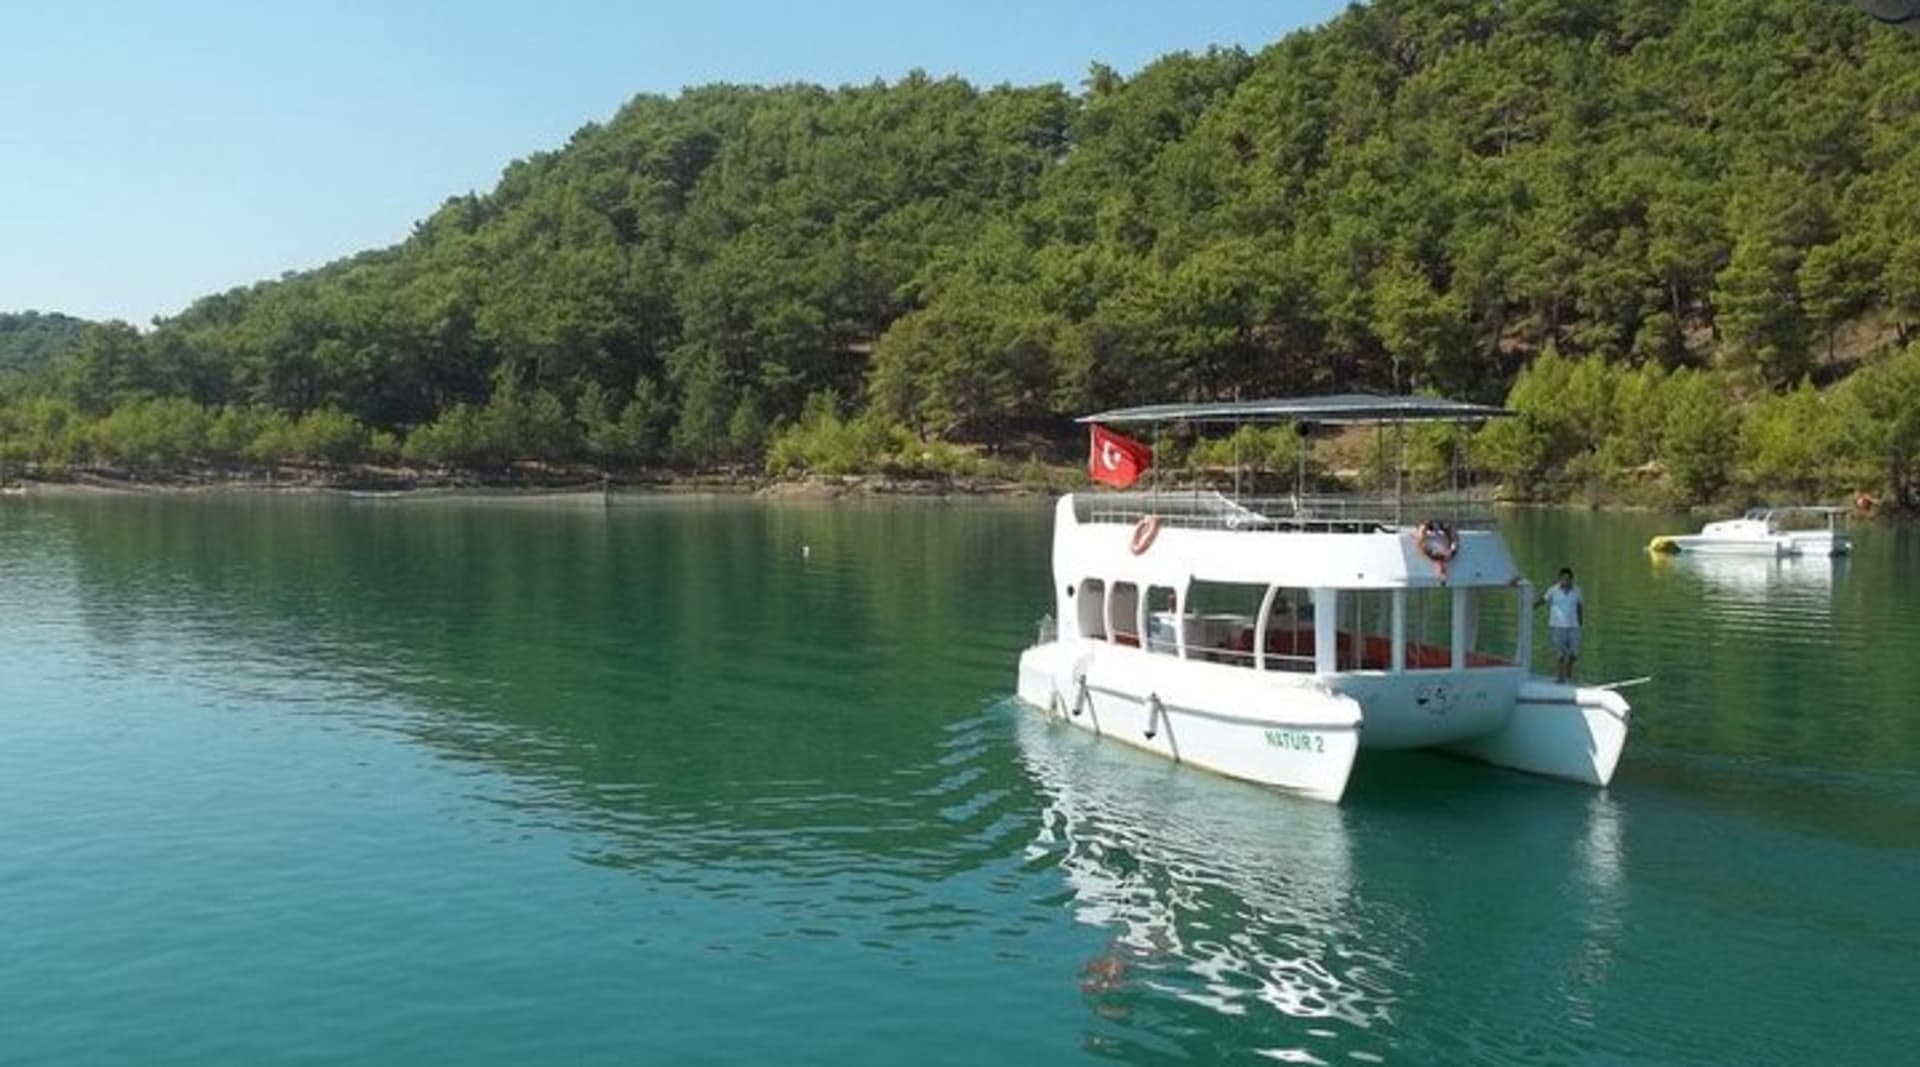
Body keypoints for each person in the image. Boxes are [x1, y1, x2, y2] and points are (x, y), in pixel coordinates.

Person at [1535, 567, 1584, 683]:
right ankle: (1561, 676)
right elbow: (1543, 600)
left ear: (1572, 579)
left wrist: (1581, 621)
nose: (1565, 581)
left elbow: (1579, 605)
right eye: (1562, 578)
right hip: (1558, 625)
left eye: (1567, 579)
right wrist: (1531, 607)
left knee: (1574, 654)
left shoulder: (1577, 590)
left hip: (1573, 625)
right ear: (1559, 579)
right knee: (1560, 653)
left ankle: (1569, 667)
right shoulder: (1553, 590)